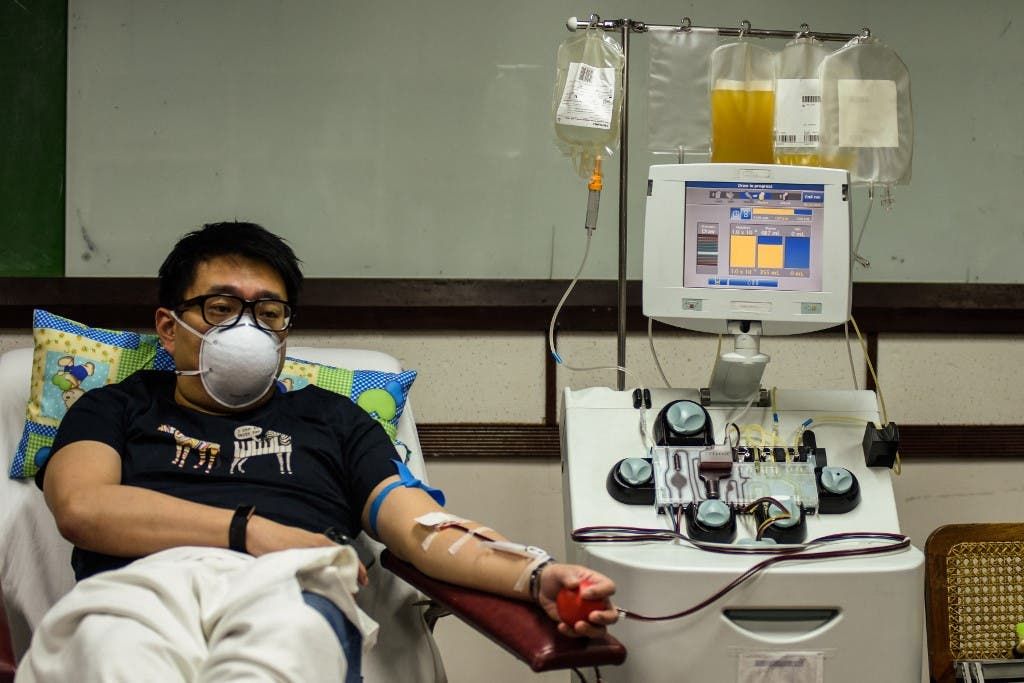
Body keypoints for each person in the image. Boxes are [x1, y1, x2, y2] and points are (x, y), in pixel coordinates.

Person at [17, 221, 617, 683]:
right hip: (137, 586)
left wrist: (534, 575)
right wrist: (253, 532)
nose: (247, 329)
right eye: (221, 308)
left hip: (291, 590)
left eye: (268, 313)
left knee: (283, 654)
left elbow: (422, 530)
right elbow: (82, 506)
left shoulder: (335, 420)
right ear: (169, 328)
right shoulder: (114, 406)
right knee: (113, 656)